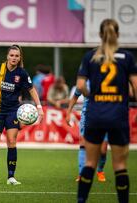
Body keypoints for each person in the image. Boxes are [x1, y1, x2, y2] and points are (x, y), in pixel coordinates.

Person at [76, 19, 137, 203]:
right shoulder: (127, 57)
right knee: (120, 165)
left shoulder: (90, 57)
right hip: (118, 115)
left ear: (101, 35)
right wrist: (127, 93)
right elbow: (135, 88)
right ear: (117, 34)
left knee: (89, 164)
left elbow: (80, 86)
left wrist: (92, 93)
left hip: (95, 114)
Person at [0, 44, 44, 185]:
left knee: (11, 142)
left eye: (16, 56)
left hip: (13, 111)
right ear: (7, 56)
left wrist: (39, 107)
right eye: (11, 55)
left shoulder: (22, 73)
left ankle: (11, 177)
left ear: (19, 58)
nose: (14, 58)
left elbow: (32, 90)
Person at [66, 80, 108, 183]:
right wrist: (68, 112)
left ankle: (100, 171)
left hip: (105, 116)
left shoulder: (108, 79)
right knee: (83, 143)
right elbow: (75, 96)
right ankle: (81, 174)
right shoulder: (84, 80)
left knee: (103, 150)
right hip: (87, 115)